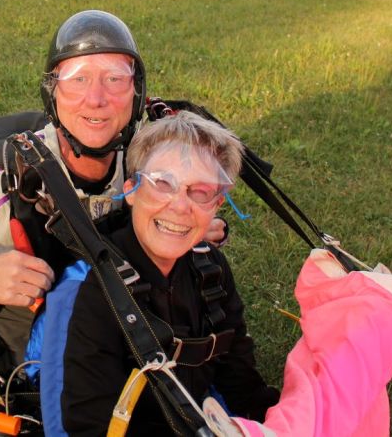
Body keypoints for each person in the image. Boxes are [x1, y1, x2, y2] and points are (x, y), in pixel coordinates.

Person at [0, 10, 227, 361]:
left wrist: (171, 221)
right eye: (77, 79)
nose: (96, 98)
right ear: (53, 93)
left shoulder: (139, 163)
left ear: (136, 92)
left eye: (115, 78)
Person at [31, 110, 279, 435]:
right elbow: (82, 426)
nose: (179, 206)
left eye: (200, 191)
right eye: (163, 183)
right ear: (131, 190)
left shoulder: (210, 272)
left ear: (216, 205)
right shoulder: (88, 290)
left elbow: (239, 380)